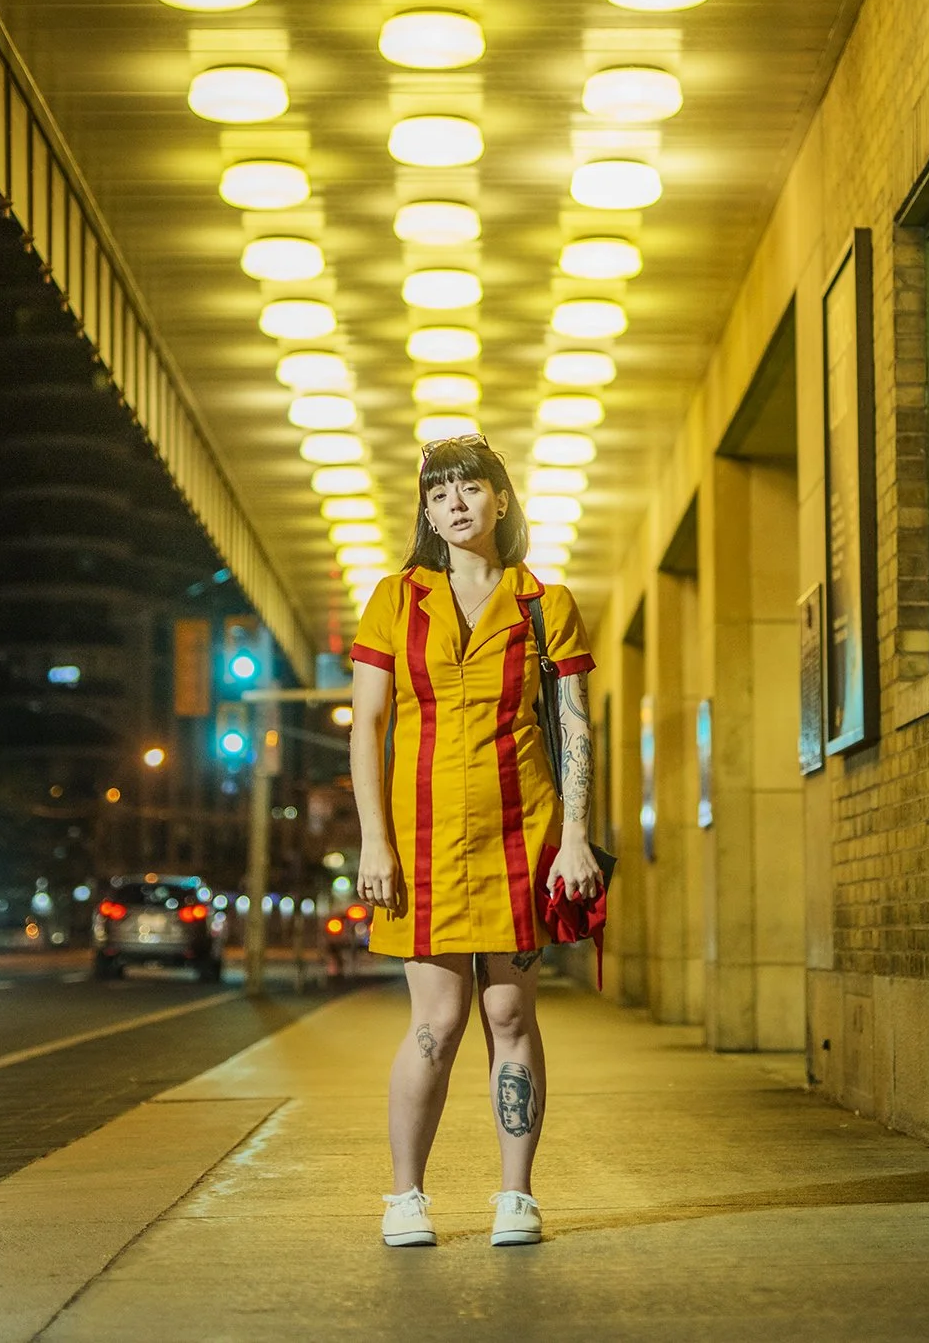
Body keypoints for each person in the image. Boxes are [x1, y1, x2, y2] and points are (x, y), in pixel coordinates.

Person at [347, 435, 601, 1249]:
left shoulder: (545, 604)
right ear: (426, 513)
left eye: (470, 488)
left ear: (501, 499)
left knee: (511, 1013)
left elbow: (575, 728)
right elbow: (368, 727)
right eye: (438, 493)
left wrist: (576, 838)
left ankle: (516, 1196)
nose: (454, 504)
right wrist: (373, 841)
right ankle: (404, 1196)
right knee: (438, 1022)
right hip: (421, 838)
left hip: (521, 833)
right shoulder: (395, 599)